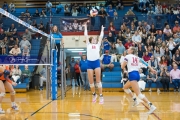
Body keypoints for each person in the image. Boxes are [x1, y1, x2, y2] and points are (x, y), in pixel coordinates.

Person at [121, 47, 157, 114]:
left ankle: (151, 106)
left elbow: (122, 67)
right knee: (125, 88)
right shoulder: (137, 57)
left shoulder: (127, 56)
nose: (127, 49)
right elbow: (146, 64)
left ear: (131, 50)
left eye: (129, 49)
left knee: (139, 94)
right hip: (136, 74)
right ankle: (135, 100)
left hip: (132, 75)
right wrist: (152, 69)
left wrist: (122, 65)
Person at [84, 22, 105, 104]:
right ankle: (94, 95)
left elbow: (101, 37)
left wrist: (102, 29)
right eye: (93, 39)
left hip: (96, 63)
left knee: (98, 81)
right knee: (91, 82)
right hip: (89, 63)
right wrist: (85, 27)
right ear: (91, 40)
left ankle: (101, 96)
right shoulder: (88, 44)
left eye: (95, 39)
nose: (94, 40)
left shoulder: (98, 45)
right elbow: (86, 35)